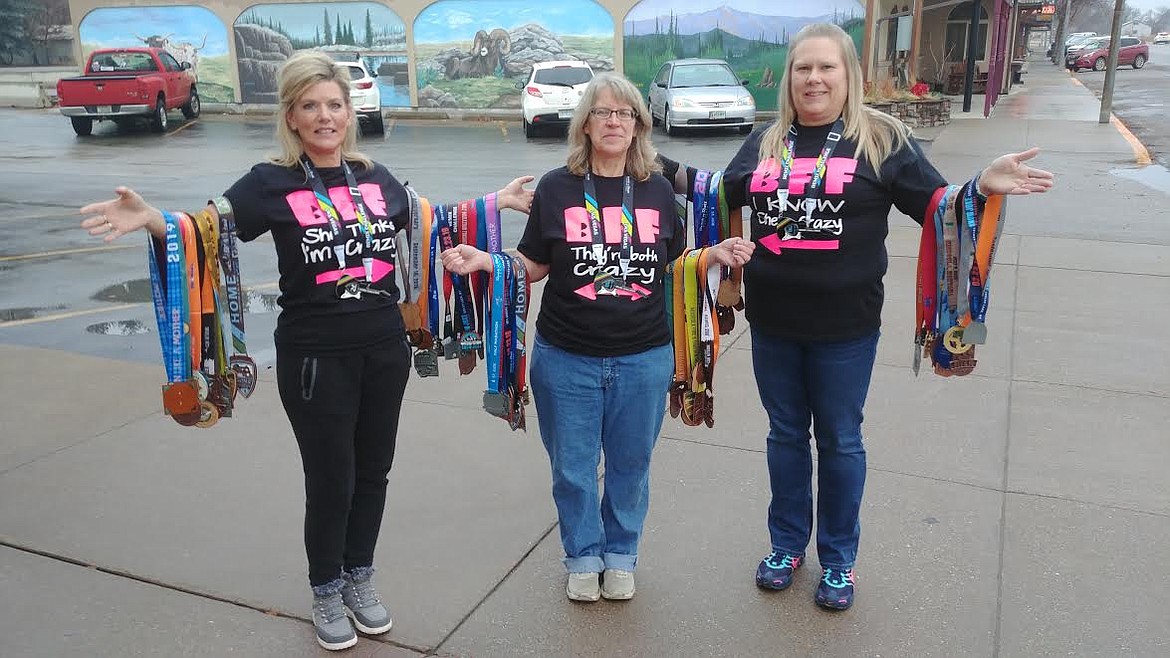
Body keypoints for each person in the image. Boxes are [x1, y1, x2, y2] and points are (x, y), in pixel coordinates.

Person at [79, 51, 534, 650]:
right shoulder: (270, 181)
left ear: (350, 112)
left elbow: (427, 220)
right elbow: (206, 228)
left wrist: (492, 202)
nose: (325, 116)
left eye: (335, 105)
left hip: (383, 349)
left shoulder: (375, 176)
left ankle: (359, 578)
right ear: (291, 117)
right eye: (311, 106)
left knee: (374, 472)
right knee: (332, 479)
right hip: (316, 356)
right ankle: (326, 588)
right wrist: (154, 221)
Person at [659, 23, 1053, 611]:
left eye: (826, 68)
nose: (813, 79)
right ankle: (788, 545)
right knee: (786, 435)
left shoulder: (881, 140)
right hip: (775, 325)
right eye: (802, 69)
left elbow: (937, 207)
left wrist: (980, 188)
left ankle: (839, 560)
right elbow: (718, 190)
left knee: (840, 440)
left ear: (849, 76)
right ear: (789, 79)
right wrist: (647, 159)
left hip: (844, 329)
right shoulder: (770, 143)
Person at [442, 72, 754, 602]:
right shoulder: (558, 187)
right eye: (603, 112)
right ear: (584, 123)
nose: (614, 122)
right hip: (566, 357)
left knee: (631, 466)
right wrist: (488, 262)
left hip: (644, 356)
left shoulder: (657, 188)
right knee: (572, 467)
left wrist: (711, 257)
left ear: (638, 125)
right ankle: (584, 553)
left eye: (625, 113)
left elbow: (671, 264)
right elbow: (535, 262)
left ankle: (622, 553)